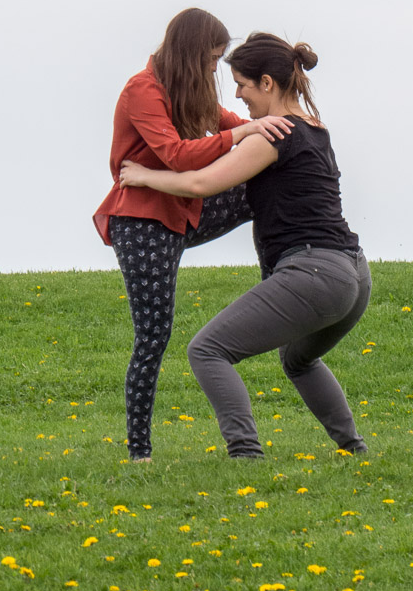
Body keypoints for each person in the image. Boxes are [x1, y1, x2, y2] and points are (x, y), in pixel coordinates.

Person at [118, 32, 372, 458]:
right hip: (356, 276)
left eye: (243, 84)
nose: (236, 94)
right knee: (298, 360)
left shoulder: (271, 137)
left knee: (207, 350)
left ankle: (246, 454)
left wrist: (144, 176)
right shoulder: (315, 128)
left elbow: (201, 182)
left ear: (267, 84)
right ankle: (354, 449)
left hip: (314, 272)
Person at [93, 10, 292, 462]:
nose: (213, 69)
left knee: (257, 187)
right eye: (211, 59)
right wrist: (244, 131)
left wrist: (270, 125)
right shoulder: (141, 90)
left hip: (185, 213)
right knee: (154, 335)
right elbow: (177, 156)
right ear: (190, 52)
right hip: (142, 223)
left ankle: (283, 277)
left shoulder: (190, 87)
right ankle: (139, 451)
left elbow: (223, 125)